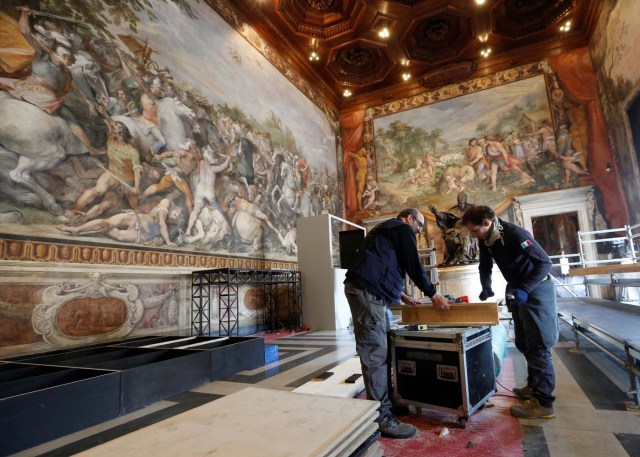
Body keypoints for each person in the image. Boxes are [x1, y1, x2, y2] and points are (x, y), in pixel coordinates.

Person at [344, 208, 451, 439]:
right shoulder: (402, 228)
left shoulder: (387, 230)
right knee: (375, 353)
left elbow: (384, 263)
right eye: (420, 225)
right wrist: (433, 294)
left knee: (388, 346)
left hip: (374, 294)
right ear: (410, 218)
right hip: (367, 294)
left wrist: (401, 295)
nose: (419, 230)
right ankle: (380, 417)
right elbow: (413, 264)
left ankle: (389, 402)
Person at [462, 206, 558, 419]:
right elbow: (484, 265)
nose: (472, 235)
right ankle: (533, 386)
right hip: (517, 289)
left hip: (536, 290)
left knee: (539, 345)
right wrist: (486, 286)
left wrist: (524, 289)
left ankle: (543, 403)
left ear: (487, 222)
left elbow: (544, 263)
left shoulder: (516, 234)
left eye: (474, 230)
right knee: (523, 342)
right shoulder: (486, 238)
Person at [428, 191, 478, 265]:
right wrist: (436, 213)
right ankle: (453, 257)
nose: (460, 205)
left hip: (468, 229)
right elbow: (444, 217)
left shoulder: (472, 209)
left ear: (465, 201)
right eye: (458, 203)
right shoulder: (454, 210)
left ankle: (464, 256)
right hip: (456, 229)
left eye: (461, 203)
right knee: (449, 238)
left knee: (466, 235)